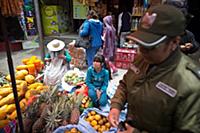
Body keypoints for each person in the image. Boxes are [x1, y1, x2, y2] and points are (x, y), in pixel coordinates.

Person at [108, 5, 200, 133]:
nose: (141, 51)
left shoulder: (190, 84)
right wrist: (116, 106)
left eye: (151, 46)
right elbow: (125, 84)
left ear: (174, 43)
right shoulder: (142, 58)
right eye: (140, 44)